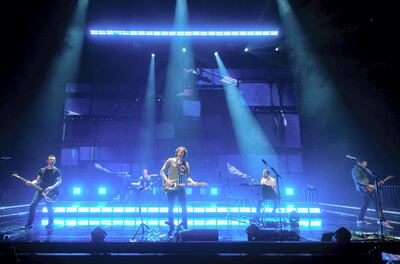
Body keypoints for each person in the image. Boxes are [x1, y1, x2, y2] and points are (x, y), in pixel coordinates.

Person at [160, 146, 198, 236]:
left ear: (184, 154)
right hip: (171, 187)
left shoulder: (186, 164)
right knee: (170, 208)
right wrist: (167, 180)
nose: (181, 152)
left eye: (183, 152)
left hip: (180, 187)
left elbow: (187, 177)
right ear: (176, 152)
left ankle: (185, 226)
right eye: (180, 151)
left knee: (184, 207)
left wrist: (193, 182)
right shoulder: (170, 160)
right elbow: (162, 171)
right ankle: (171, 227)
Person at [21, 154, 62, 230]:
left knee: (49, 208)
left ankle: (50, 223)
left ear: (55, 161)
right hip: (40, 190)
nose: (52, 161)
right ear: (47, 160)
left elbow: (59, 181)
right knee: (32, 205)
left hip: (50, 192)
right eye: (50, 159)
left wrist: (51, 187)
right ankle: (29, 224)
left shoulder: (57, 171)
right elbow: (37, 180)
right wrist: (32, 183)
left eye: (53, 159)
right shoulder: (42, 170)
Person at [352, 159, 393, 229]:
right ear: (360, 163)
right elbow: (358, 180)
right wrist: (368, 186)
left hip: (365, 188)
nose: (366, 164)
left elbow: (367, 178)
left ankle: (360, 219)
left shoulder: (363, 169)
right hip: (364, 189)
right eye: (365, 163)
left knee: (366, 203)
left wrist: (378, 181)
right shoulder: (355, 170)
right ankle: (382, 220)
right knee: (377, 201)